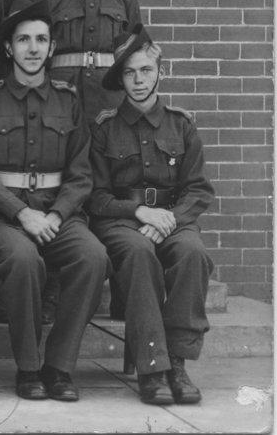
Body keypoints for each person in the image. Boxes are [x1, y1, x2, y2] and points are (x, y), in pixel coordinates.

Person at [0, 0, 110, 402]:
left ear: (51, 49)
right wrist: (22, 213)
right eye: (24, 40)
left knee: (92, 257)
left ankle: (59, 366)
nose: (33, 48)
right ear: (9, 49)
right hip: (0, 214)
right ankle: (28, 367)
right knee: (23, 259)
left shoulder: (69, 99)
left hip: (57, 213)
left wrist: (57, 214)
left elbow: (81, 174)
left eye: (41, 40)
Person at [88, 24, 214, 405]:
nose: (138, 80)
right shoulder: (105, 129)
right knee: (140, 254)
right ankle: (152, 368)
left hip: (171, 220)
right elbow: (94, 196)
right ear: (120, 78)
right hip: (120, 222)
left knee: (193, 253)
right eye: (129, 72)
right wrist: (140, 211)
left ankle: (177, 363)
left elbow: (198, 189)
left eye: (145, 70)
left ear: (162, 71)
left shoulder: (181, 124)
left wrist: (169, 220)